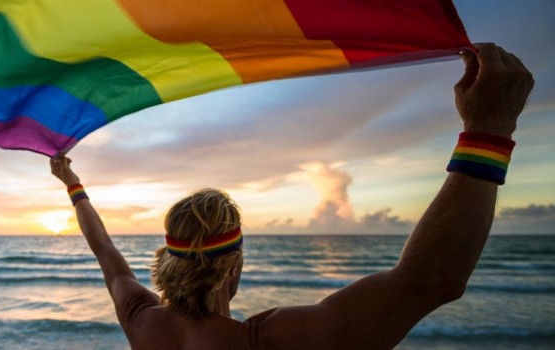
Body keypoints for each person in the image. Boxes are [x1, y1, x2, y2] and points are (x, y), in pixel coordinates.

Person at [49, 43, 534, 350]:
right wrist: (488, 129)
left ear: (168, 258)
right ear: (233, 266)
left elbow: (105, 250)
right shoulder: (266, 340)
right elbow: (431, 280)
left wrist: (72, 184)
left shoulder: (139, 319)